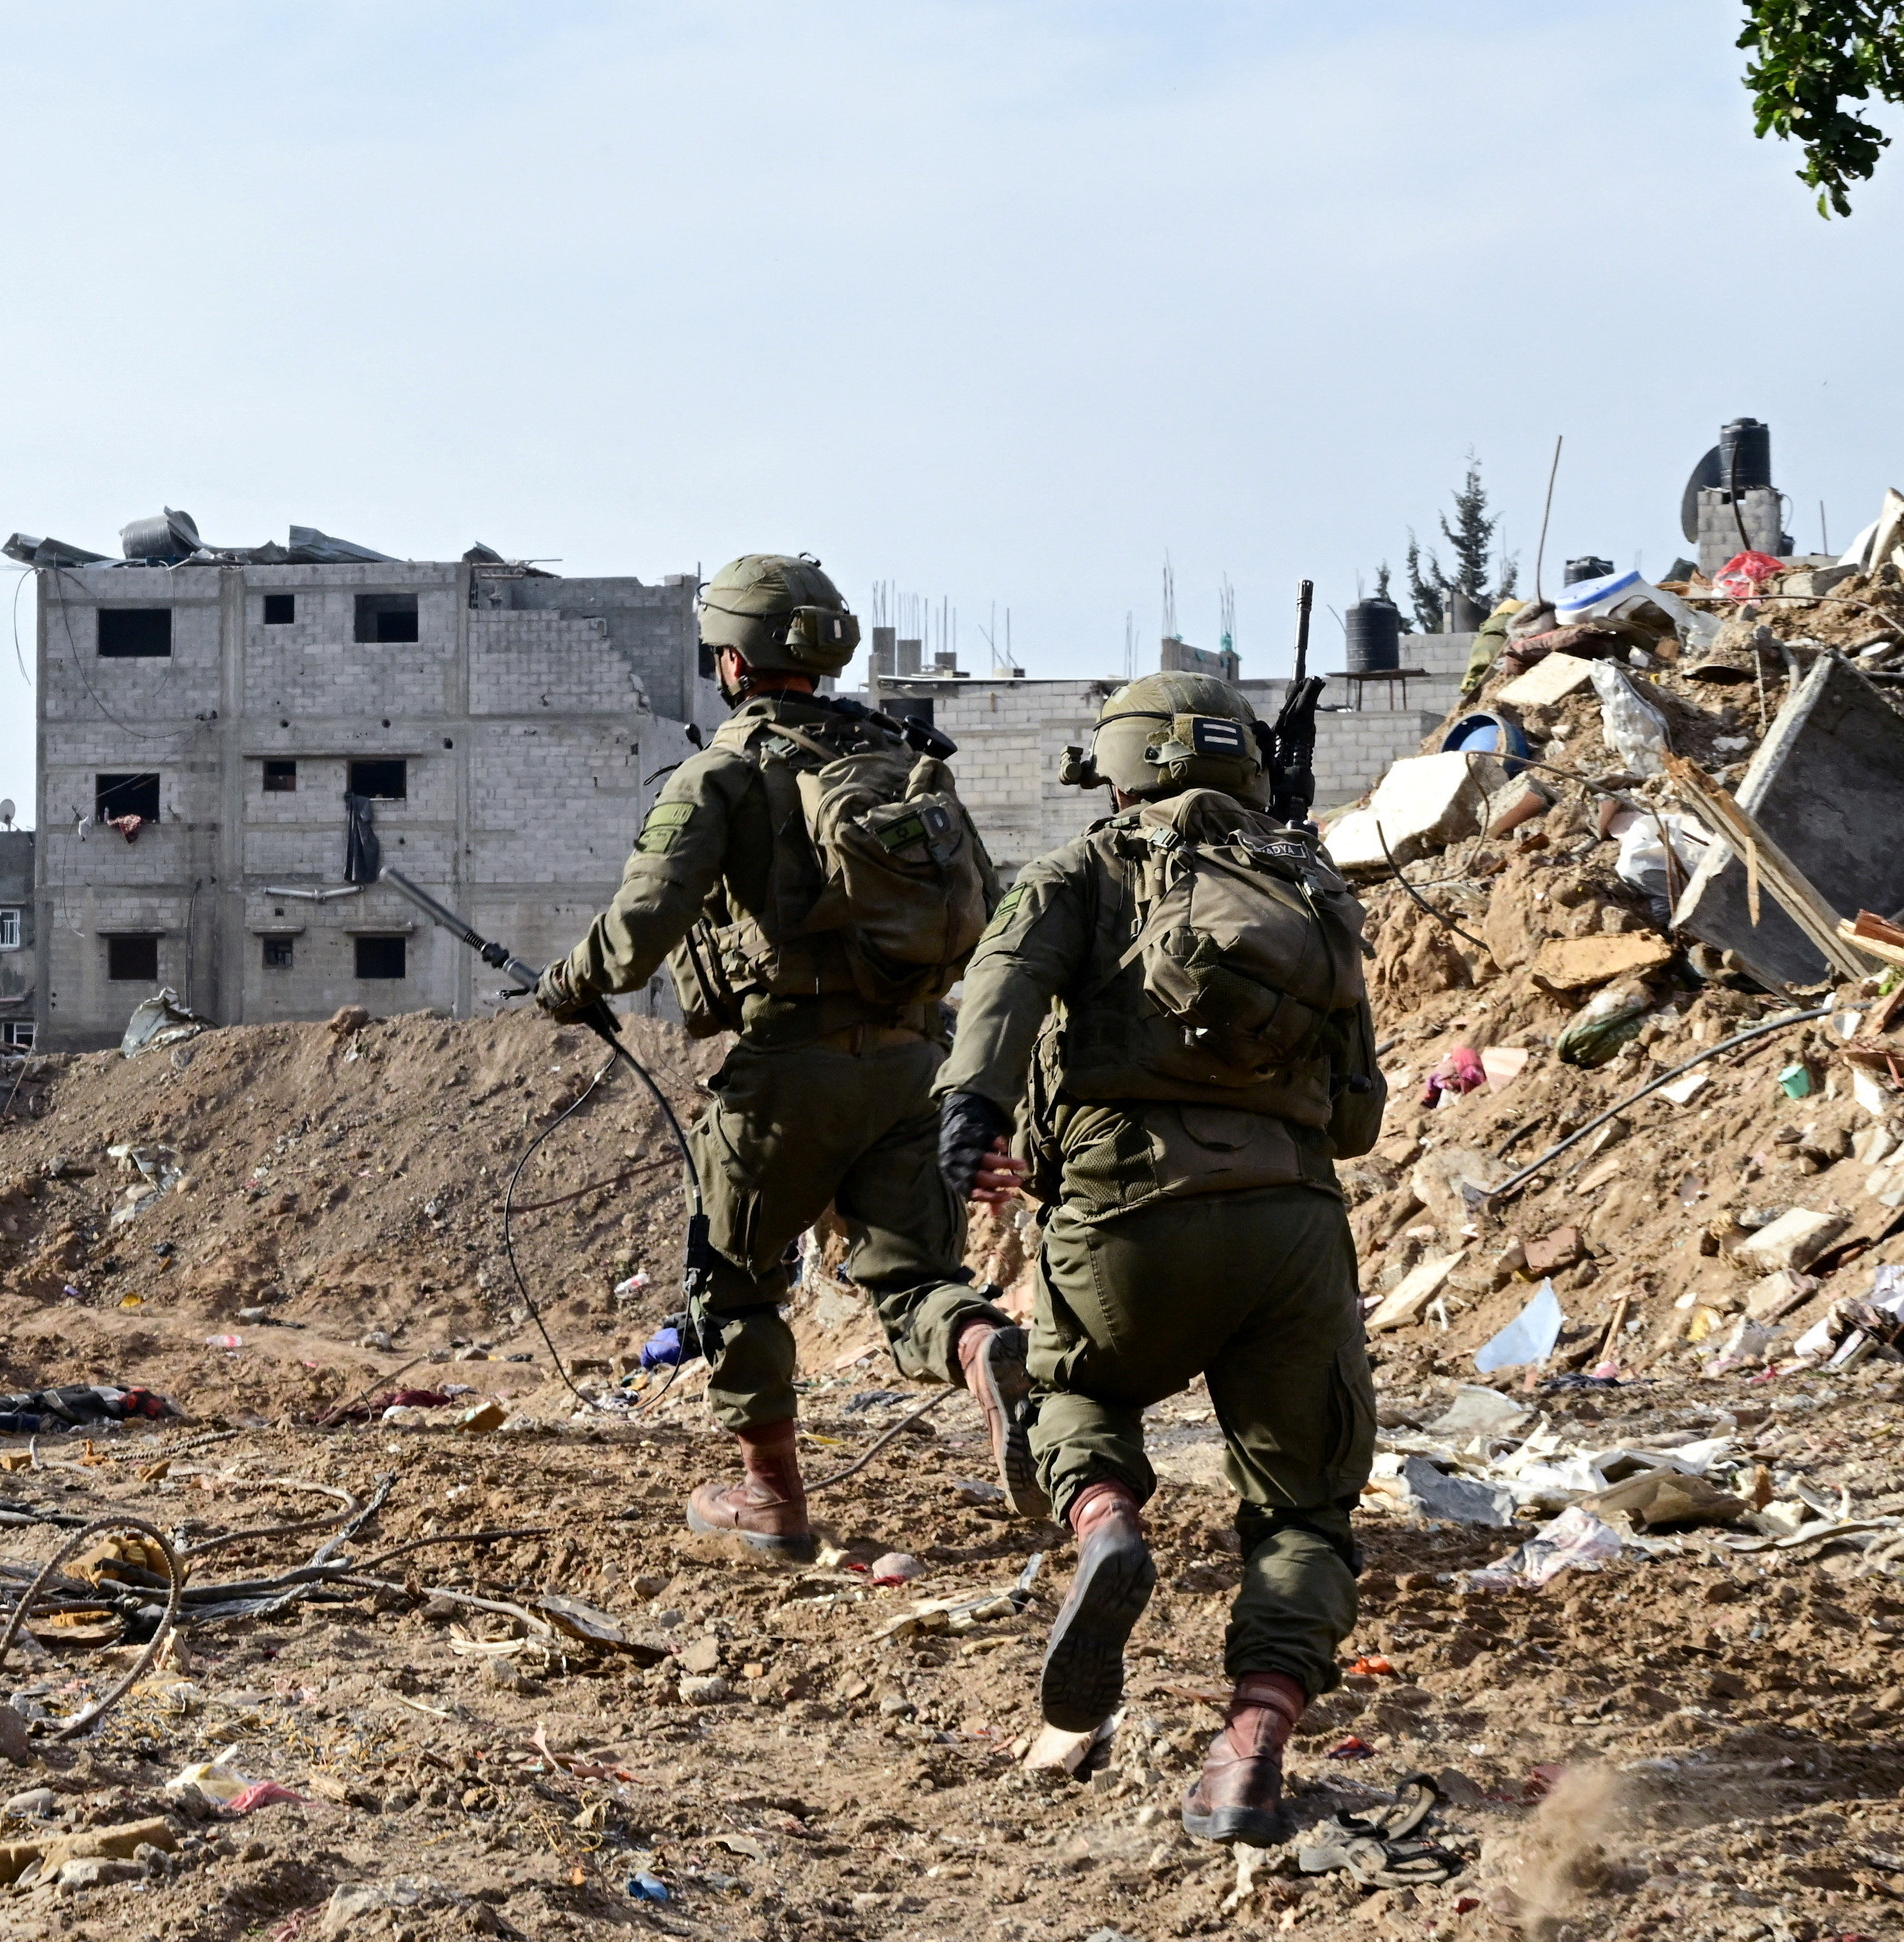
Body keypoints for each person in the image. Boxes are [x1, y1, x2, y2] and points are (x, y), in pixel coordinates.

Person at [933, 672, 1384, 1846]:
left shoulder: (1084, 870)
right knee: (1302, 1510)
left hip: (1127, 1220)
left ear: (1119, 768)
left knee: (1077, 1390)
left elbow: (1003, 981)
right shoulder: (1311, 885)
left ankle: (1105, 1522)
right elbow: (1358, 1121)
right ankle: (1248, 1752)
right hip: (1292, 1228)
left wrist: (975, 1112)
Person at [536, 553, 1043, 1562]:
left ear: (731, 658)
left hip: (789, 1072)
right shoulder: (903, 763)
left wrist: (567, 981)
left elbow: (639, 927)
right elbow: (993, 912)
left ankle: (772, 1498)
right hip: (914, 1061)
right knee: (912, 1277)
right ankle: (985, 1349)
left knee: (732, 1277)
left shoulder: (722, 773)